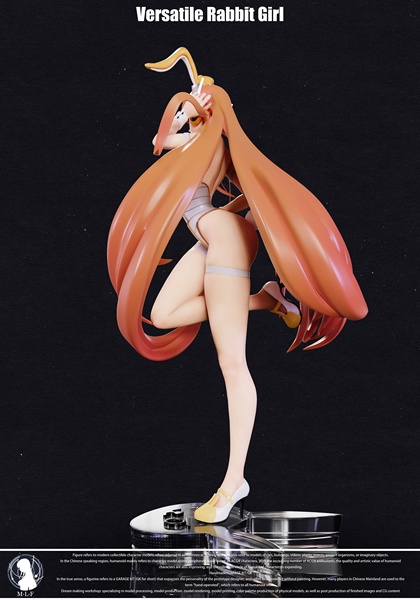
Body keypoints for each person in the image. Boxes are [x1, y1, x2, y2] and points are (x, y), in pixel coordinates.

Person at [107, 48, 367, 524]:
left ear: (212, 109)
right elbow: (164, 143)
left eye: (196, 100)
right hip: (215, 235)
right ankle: (266, 299)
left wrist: (194, 106)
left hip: (222, 239)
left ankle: (233, 482)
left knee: (232, 364)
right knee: (162, 314)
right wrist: (187, 107)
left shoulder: (206, 144)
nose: (190, 105)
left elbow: (164, 141)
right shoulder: (199, 144)